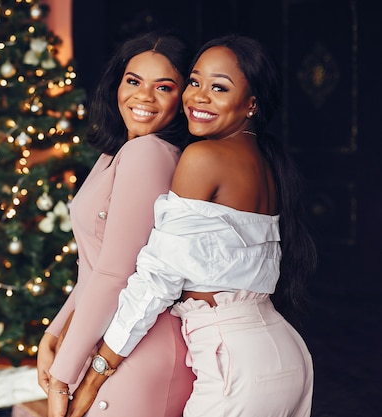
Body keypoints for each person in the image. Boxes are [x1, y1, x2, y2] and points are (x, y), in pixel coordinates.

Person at [69, 34, 317, 417]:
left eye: (219, 87)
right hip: (283, 353)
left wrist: (96, 371)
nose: (199, 96)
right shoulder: (263, 161)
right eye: (195, 82)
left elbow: (156, 280)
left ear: (251, 104)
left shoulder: (203, 158)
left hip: (234, 365)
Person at [36, 31, 196, 417]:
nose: (143, 96)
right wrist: (54, 333)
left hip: (138, 350)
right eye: (134, 81)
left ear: (183, 98)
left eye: (164, 87)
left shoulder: (148, 153)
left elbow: (115, 273)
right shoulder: (116, 152)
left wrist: (63, 374)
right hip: (110, 340)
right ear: (117, 84)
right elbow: (94, 266)